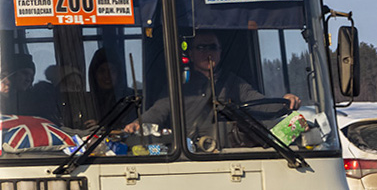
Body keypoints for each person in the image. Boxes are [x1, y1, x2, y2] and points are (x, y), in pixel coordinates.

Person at [124, 30, 299, 149]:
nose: (208, 52)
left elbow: (258, 102)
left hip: (229, 156)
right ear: (190, 54)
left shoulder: (234, 83)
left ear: (221, 52)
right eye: (201, 47)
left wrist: (285, 102)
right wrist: (138, 124)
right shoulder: (178, 87)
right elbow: (158, 111)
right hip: (189, 157)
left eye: (212, 47)